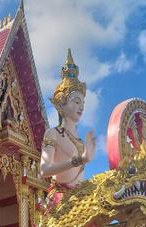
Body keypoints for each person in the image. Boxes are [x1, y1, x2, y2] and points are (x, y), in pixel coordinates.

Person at [40, 49, 97, 205]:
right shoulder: (53, 134)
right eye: (76, 102)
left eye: (82, 103)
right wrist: (79, 160)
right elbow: (44, 170)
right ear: (61, 105)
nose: (81, 107)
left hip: (80, 199)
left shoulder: (80, 141)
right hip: (61, 200)